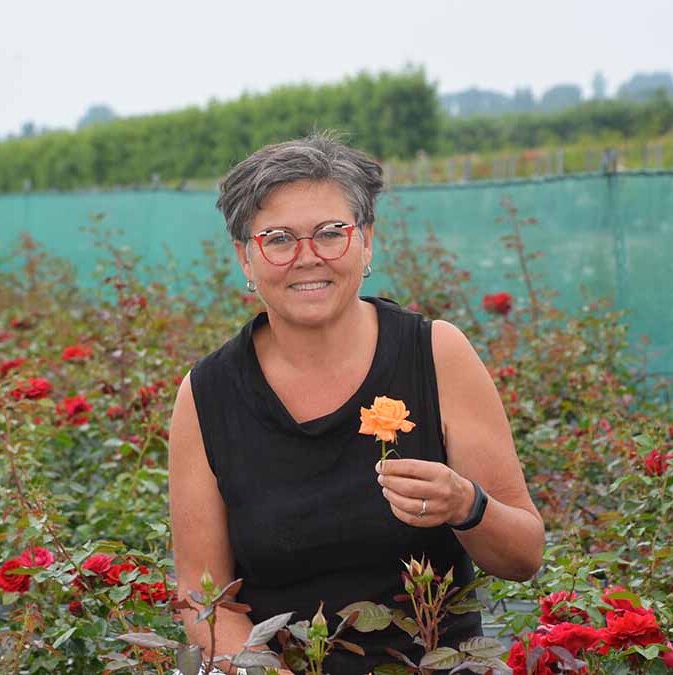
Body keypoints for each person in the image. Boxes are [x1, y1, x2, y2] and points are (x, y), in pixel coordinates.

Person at [168, 133, 544, 675]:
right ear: (245, 258)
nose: (307, 258)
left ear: (366, 241)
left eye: (330, 233)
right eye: (278, 239)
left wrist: (467, 505)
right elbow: (205, 598)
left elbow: (523, 556)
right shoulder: (208, 395)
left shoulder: (435, 354)